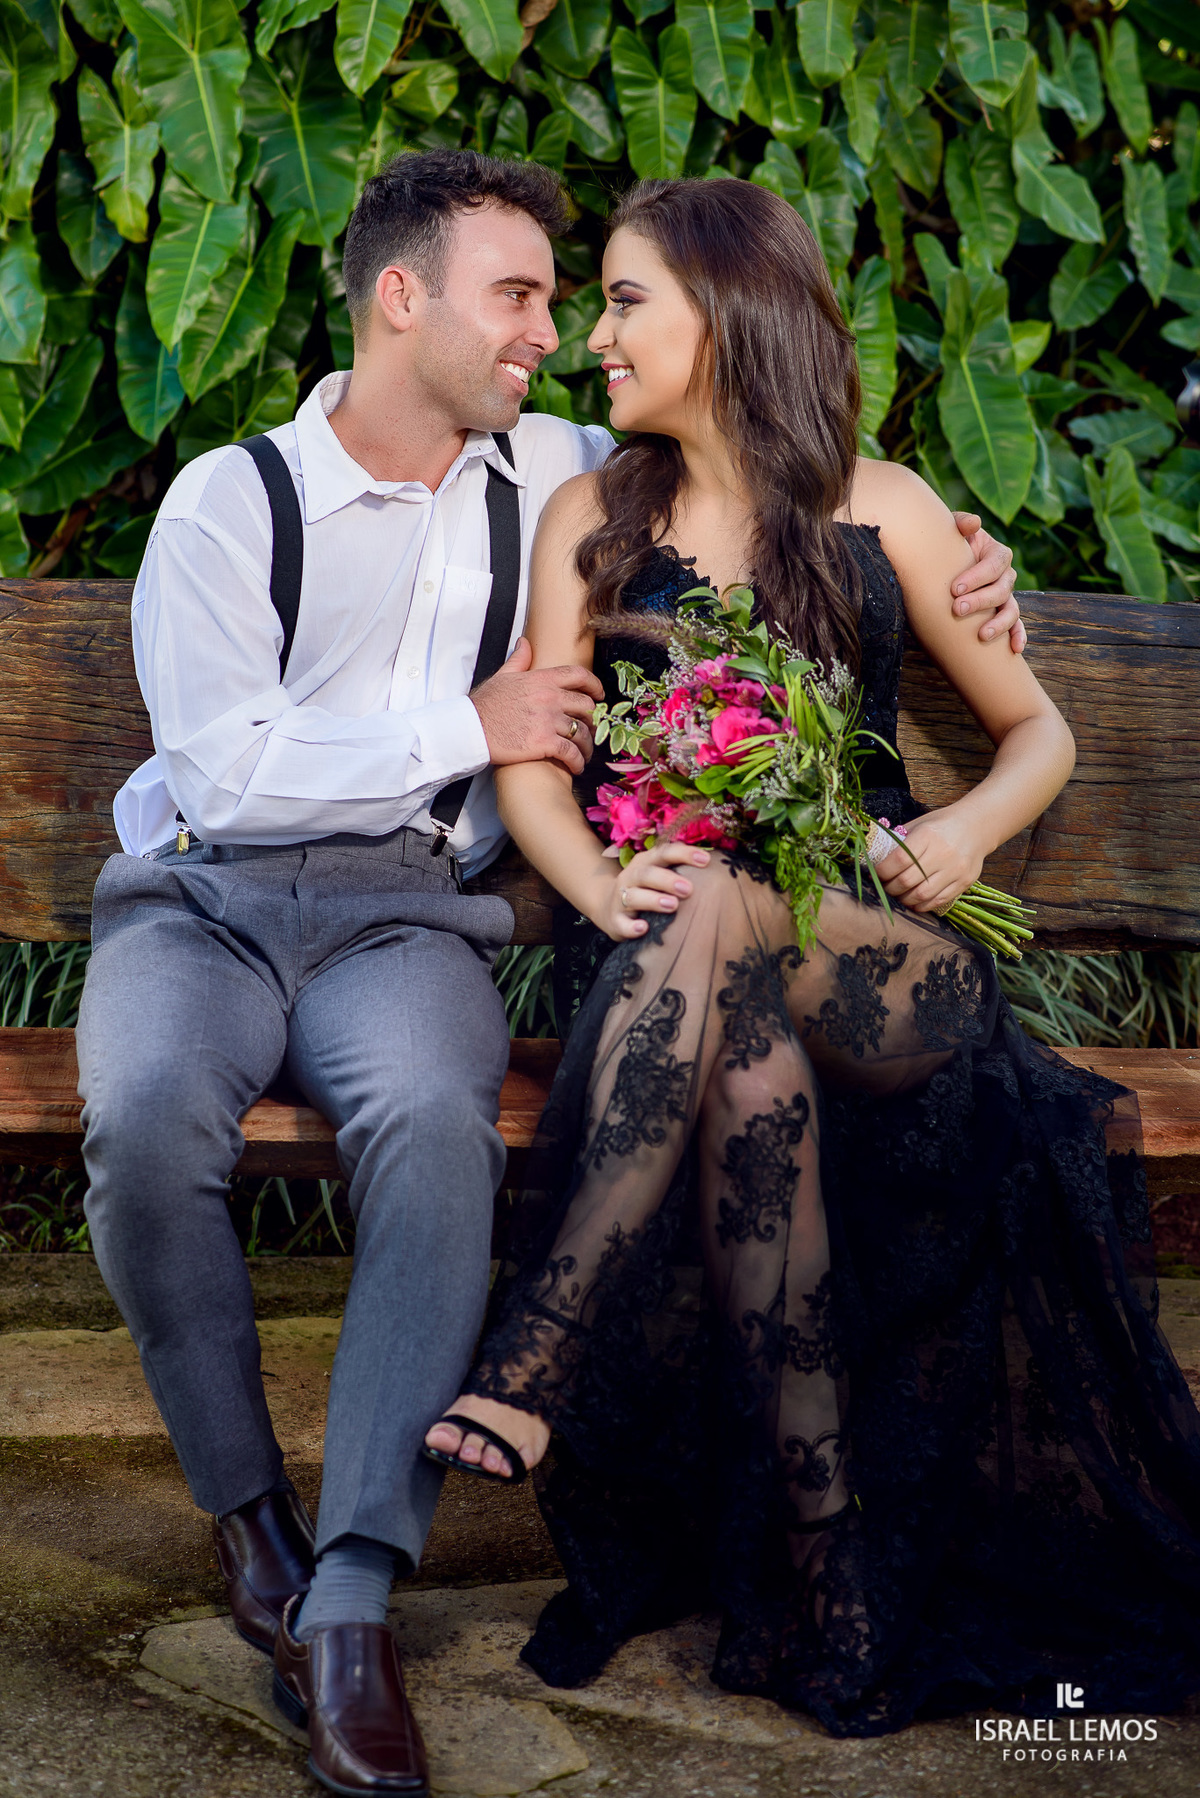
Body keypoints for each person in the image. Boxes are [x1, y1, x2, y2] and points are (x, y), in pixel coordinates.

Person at [75, 150, 1023, 1795]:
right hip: (202, 895)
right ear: (402, 299)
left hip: (405, 916)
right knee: (145, 1120)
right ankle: (251, 1518)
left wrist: (964, 549)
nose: (554, 332)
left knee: (438, 1129)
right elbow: (221, 769)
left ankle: (355, 1590)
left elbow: (757, 453)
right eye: (517, 297)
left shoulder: (566, 464)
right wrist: (476, 730)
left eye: (574, 302)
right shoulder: (231, 500)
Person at [424, 177, 1200, 1738]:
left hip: (886, 967)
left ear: (725, 312)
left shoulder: (884, 506)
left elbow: (1038, 732)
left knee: (737, 912)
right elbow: (533, 760)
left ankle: (539, 1348)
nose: (596, 334)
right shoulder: (594, 519)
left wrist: (964, 831)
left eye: (626, 299)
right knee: (745, 1053)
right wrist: (599, 883)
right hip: (674, 962)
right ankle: (831, 1561)